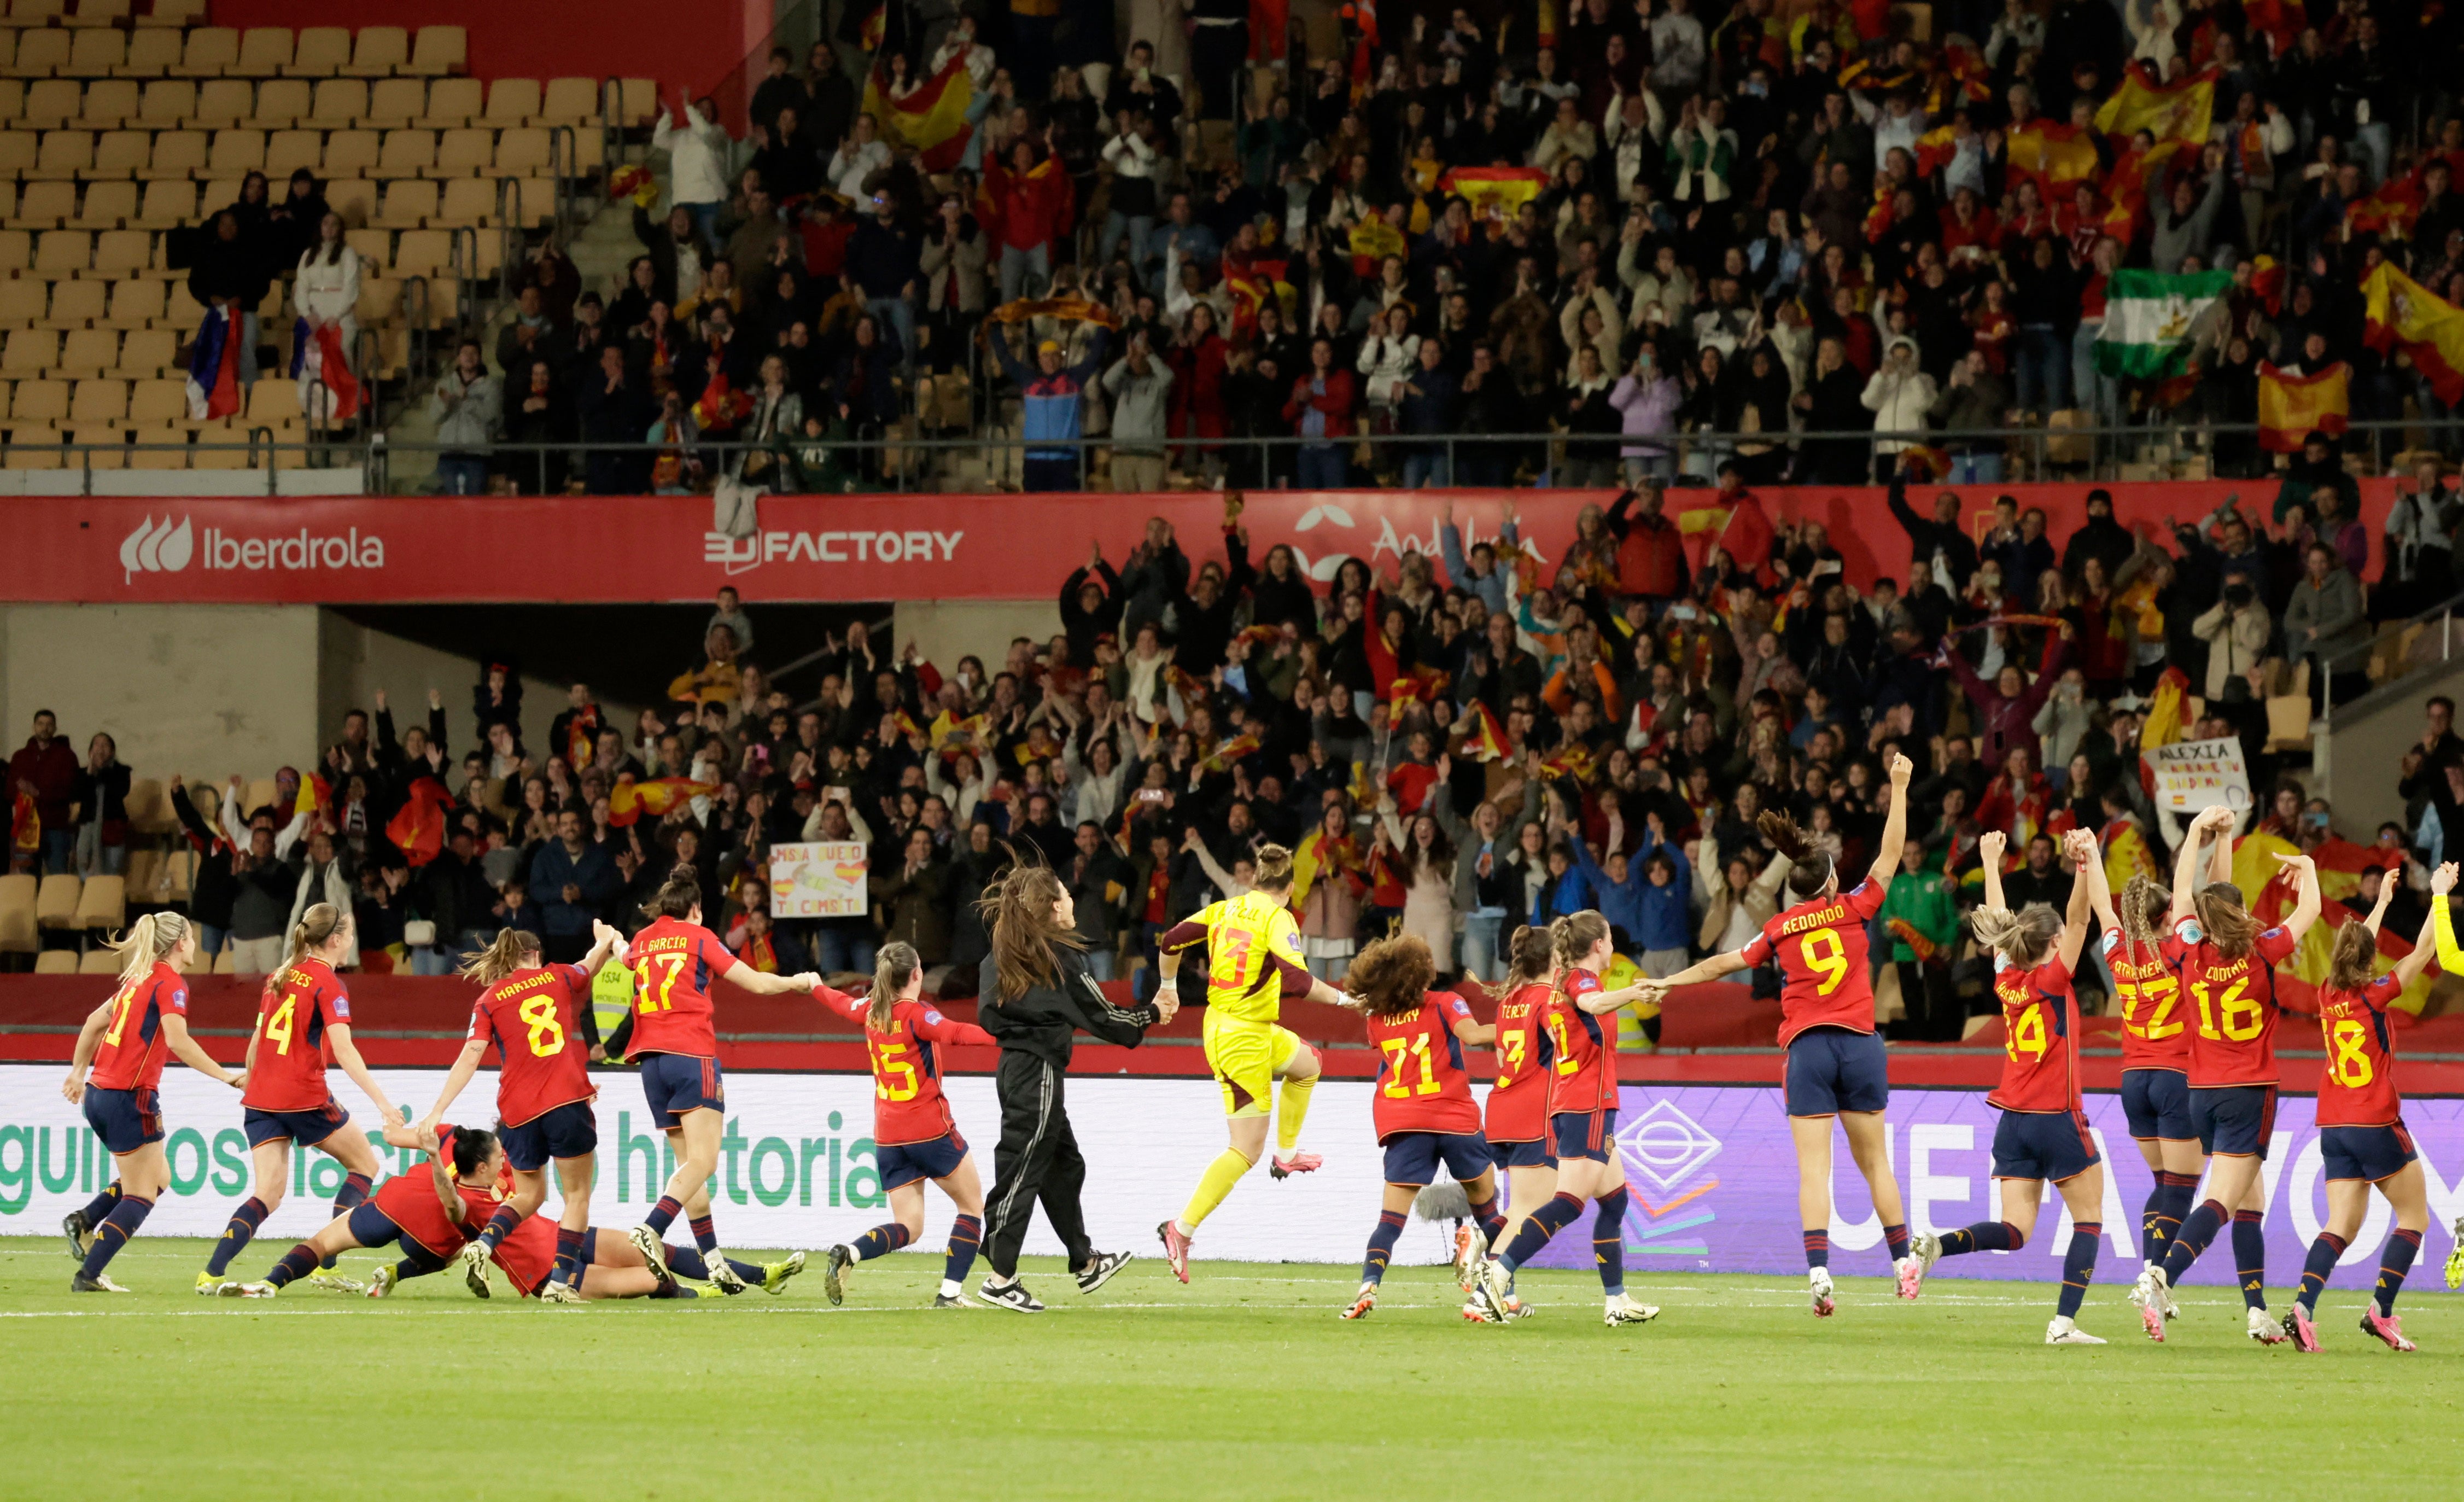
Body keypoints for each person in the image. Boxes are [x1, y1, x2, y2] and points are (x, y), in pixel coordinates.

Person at [1640, 755, 1922, 1316]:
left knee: (1814, 1170)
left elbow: (1720, 963)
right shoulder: (1855, 906)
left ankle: (1819, 1273)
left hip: (1809, 1049)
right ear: (1832, 881)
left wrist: (1667, 981)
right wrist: (1898, 784)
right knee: (1876, 1165)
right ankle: (1902, 1263)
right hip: (1862, 1044)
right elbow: (1891, 853)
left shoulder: (1779, 927)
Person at [1907, 828, 2109, 1345]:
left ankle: (1937, 1246)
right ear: (2055, 943)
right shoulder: (2051, 981)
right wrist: (2085, 865)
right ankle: (2063, 1324)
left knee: (2016, 1231)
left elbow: (2000, 930)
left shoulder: (2006, 979)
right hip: (2056, 1118)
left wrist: (1991, 863)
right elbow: (2082, 916)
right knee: (2089, 1220)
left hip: (2013, 1122)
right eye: (2063, 933)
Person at [2130, 805, 2320, 1343]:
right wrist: (2305, 865)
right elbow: (2310, 908)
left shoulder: (2189, 950)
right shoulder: (2262, 952)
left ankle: (2257, 1310)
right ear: (2241, 912)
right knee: (2219, 1201)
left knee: (2248, 1202)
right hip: (2248, 1091)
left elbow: (2187, 892)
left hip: (2201, 1095)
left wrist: (2198, 833)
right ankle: (2162, 1273)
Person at [609, 866, 821, 1295]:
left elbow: (621, 953)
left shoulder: (643, 941)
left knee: (690, 1168)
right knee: (704, 1163)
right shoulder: (699, 937)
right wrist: (800, 982)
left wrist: (608, 937)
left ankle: (713, 1260)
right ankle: (652, 1228)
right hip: (691, 1055)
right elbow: (757, 984)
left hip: (651, 1063)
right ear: (695, 909)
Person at [1153, 842, 1358, 1283]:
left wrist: (1167, 985)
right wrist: (1346, 999)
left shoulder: (1227, 908)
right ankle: (1181, 1228)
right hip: (1241, 1039)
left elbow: (1171, 941)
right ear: (1289, 888)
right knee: (1245, 1150)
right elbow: (1301, 982)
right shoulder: (1278, 916)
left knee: (1309, 1064)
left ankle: (1287, 1156)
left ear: (1255, 880)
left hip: (1247, 1027)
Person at [972, 860, 1155, 1311]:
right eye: (1067, 896)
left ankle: (1085, 1261)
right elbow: (1105, 1018)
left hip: (1015, 1069)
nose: (1073, 902)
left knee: (1063, 1165)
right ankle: (1000, 1277)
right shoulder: (1059, 959)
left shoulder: (1003, 954)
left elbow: (988, 1014)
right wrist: (1150, 1014)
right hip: (1039, 1074)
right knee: (1024, 1169)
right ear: (1054, 907)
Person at [1466, 910, 1663, 1326]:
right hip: (1585, 1102)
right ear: (1598, 945)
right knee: (1567, 1203)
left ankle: (1617, 1300)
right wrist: (1632, 994)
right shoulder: (1582, 981)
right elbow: (1591, 1003)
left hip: (1570, 1101)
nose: (1613, 944)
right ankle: (1498, 1273)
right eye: (1609, 938)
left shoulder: (1551, 988)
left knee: (1615, 1200)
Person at [418, 921, 628, 1301]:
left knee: (528, 1196)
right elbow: (590, 964)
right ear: (535, 955)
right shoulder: (558, 977)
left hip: (517, 1112)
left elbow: (471, 1055)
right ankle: (560, 1284)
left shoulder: (489, 1000)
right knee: (576, 1197)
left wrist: (437, 1110)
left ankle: (484, 1244)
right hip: (565, 1102)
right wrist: (604, 942)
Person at [2281, 863, 2443, 1352]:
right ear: (2370, 962)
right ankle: (2381, 1312)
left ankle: (2303, 1309)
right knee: (2414, 1219)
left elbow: (2353, 948)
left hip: (2333, 1124)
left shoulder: (2328, 993)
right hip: (2375, 1120)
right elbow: (2423, 951)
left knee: (2342, 1225)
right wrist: (2437, 896)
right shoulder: (2376, 996)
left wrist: (2382, 904)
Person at [197, 903, 399, 1294]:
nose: (352, 943)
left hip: (262, 1099)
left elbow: (258, 1039)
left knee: (267, 1194)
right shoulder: (329, 984)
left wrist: (251, 1080)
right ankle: (327, 1266)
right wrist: (382, 1102)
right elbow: (344, 1050)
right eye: (351, 935)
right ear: (336, 940)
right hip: (304, 1097)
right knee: (365, 1165)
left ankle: (212, 1274)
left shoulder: (279, 975)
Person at [1329, 934, 1515, 1320]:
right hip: (1454, 1118)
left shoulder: (1376, 1020)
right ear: (1424, 972)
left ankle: (1367, 1287)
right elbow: (1474, 1035)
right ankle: (1501, 1292)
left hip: (1404, 1122)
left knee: (1389, 1221)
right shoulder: (1446, 1002)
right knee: (1488, 1207)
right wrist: (1524, 1023)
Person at [58, 913, 245, 1292]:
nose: (194, 944)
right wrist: (226, 1075)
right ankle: (88, 1275)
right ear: (181, 943)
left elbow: (95, 1021)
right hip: (130, 1096)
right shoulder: (169, 983)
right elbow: (178, 1041)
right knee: (141, 1194)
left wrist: (78, 1072)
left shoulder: (137, 979)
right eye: (191, 937)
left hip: (98, 1094)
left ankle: (84, 1221)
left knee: (159, 1178)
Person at [815, 941, 997, 1308]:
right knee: (972, 1205)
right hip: (929, 1128)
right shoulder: (917, 1014)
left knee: (910, 1227)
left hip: (888, 1135)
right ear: (917, 974)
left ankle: (850, 1252)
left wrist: (814, 985)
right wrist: (1004, 1038)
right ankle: (950, 1293)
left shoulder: (870, 1010)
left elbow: (839, 1003)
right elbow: (955, 1033)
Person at [218, 1122, 499, 1298]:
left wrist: (391, 1116)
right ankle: (395, 1274)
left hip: (394, 1202)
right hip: (433, 1231)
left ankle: (270, 1283)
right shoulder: (504, 1170)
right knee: (454, 1253)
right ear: (485, 1162)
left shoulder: (450, 1132)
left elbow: (392, 1136)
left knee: (322, 1243)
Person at [2095, 863, 2202, 1293]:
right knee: (2182, 1189)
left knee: (2162, 1184)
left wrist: (2088, 860)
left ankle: (2149, 1270)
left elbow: (2102, 906)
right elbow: (2194, 897)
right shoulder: (2177, 951)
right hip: (2175, 1076)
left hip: (2133, 1079)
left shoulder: (2116, 951)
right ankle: (2156, 1280)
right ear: (2166, 917)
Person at [1473, 924, 1557, 1319]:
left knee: (1526, 1205)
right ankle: (1481, 1246)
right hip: (1534, 1108)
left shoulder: (1509, 1001)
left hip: (1502, 1105)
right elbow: (1565, 1046)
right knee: (1540, 1207)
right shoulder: (1548, 1000)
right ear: (1555, 959)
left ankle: (1492, 1288)